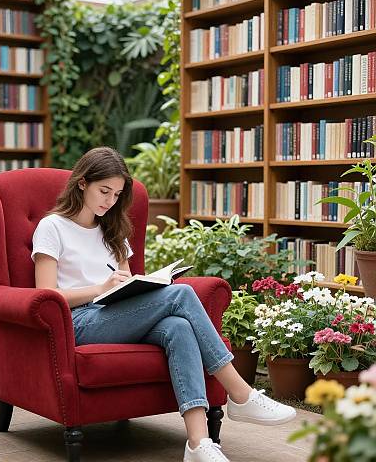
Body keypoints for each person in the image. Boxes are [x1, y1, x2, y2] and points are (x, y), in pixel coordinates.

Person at [32, 147, 296, 462]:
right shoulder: (52, 227)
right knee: (183, 294)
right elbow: (46, 295)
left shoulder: (112, 230)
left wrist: (132, 287)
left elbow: (124, 282)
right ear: (82, 183)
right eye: (104, 191)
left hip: (116, 316)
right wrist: (99, 288)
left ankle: (198, 444)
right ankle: (240, 393)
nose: (109, 201)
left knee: (179, 327)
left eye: (116, 194)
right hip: (79, 322)